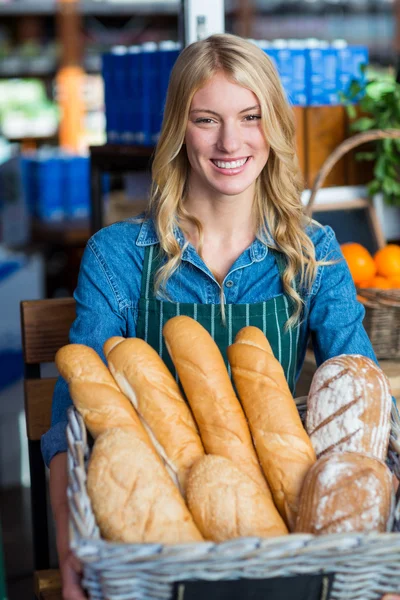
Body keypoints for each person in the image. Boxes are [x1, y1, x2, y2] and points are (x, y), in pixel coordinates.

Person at [40, 33, 398, 600]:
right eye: (206, 119)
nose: (230, 140)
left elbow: (365, 401)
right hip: (156, 544)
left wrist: (376, 559)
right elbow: (72, 427)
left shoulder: (312, 252)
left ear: (273, 125)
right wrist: (68, 554)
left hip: (282, 545)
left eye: (249, 116)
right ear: (178, 131)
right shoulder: (120, 256)